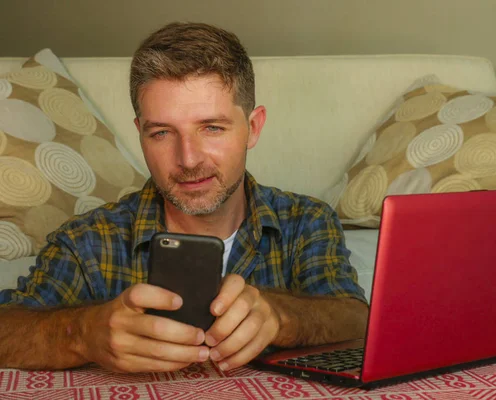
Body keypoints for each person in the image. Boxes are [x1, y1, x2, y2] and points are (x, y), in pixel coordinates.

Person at [0, 22, 368, 373]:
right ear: (140, 133)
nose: (188, 159)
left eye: (212, 128)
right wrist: (82, 334)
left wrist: (283, 317)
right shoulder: (87, 241)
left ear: (252, 128)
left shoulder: (306, 221)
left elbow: (355, 319)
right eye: (161, 133)